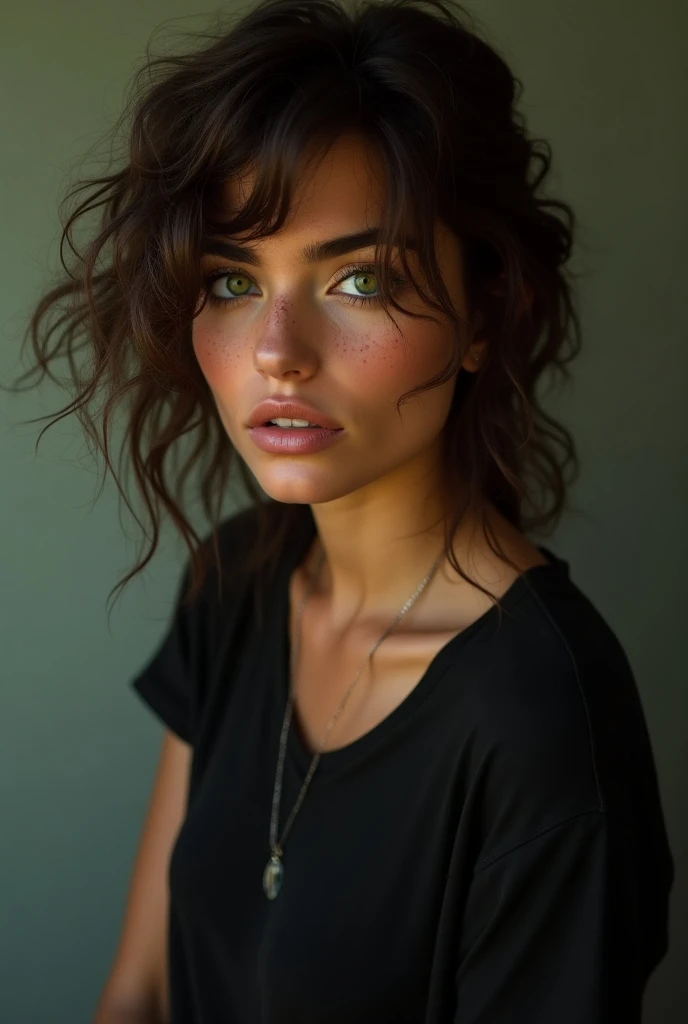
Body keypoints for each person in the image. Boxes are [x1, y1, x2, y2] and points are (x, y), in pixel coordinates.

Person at [13, 0, 673, 1021]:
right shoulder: (233, 582)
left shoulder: (543, 725)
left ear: (485, 314)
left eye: (358, 278)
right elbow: (138, 990)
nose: (278, 350)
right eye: (233, 279)